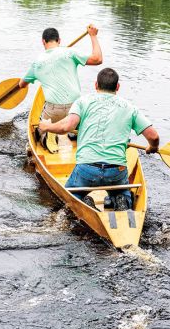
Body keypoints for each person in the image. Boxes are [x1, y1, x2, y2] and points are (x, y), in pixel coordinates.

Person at [39, 67, 160, 211]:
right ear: (117, 87)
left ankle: (85, 201)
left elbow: (67, 126)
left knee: (70, 196)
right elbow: (153, 136)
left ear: (96, 85)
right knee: (122, 190)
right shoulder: (130, 107)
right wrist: (153, 147)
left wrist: (47, 127)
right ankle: (121, 198)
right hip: (116, 170)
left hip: (87, 169)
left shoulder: (82, 102)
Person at [19, 25, 102, 153]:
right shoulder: (69, 52)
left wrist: (24, 82)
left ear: (43, 42)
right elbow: (98, 59)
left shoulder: (36, 63)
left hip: (53, 112)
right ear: (59, 40)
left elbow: (21, 85)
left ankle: (47, 133)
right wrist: (93, 36)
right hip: (75, 109)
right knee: (85, 121)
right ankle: (76, 132)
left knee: (39, 130)